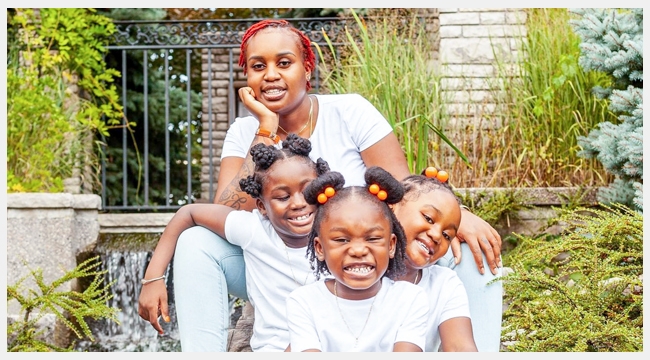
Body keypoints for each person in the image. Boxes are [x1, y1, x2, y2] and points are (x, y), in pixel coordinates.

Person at [170, 18, 503, 352]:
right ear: (248, 78)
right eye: (259, 66)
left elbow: (401, 189)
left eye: (284, 63)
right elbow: (227, 213)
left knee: (478, 255)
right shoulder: (243, 132)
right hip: (279, 268)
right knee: (196, 241)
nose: (271, 74)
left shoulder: (350, 111)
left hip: (360, 260)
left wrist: (457, 214)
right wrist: (265, 131)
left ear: (307, 69)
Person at [139, 134, 326, 351]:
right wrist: (153, 278)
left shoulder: (337, 232)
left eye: (307, 191)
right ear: (262, 207)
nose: (299, 203)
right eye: (283, 197)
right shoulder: (254, 229)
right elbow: (188, 213)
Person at [286, 167, 429, 352]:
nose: (359, 250)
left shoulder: (410, 299)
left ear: (391, 245)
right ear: (319, 248)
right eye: (342, 240)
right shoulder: (303, 303)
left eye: (373, 238)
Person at [392, 167, 479, 351]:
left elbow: (460, 348)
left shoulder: (444, 285)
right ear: (393, 206)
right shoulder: (355, 271)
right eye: (429, 219)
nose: (437, 236)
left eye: (448, 235)